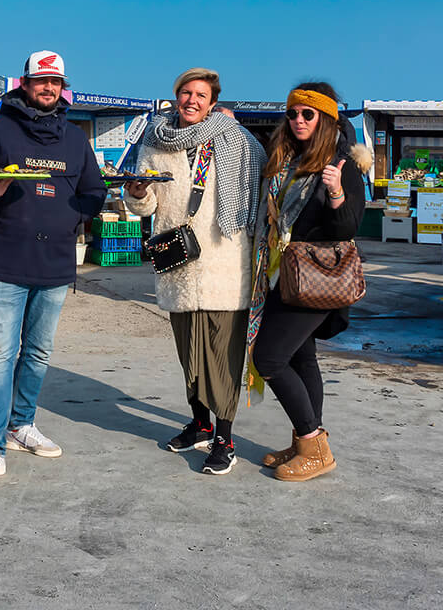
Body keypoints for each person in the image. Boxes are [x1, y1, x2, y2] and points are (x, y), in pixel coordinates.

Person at [0, 50, 106, 484]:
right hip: (5, 261)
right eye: (41, 81)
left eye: (55, 82)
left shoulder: (75, 139)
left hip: (55, 262)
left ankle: (21, 424)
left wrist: (74, 217)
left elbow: (94, 191)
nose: (48, 88)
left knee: (38, 352)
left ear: (62, 86)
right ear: (25, 83)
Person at [125, 68, 266, 475]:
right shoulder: (156, 140)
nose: (191, 100)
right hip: (179, 263)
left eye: (200, 94)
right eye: (185, 93)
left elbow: (261, 189)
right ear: (175, 96)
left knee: (222, 354)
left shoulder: (237, 140)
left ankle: (225, 437)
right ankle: (200, 423)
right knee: (189, 352)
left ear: (212, 100)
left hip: (226, 262)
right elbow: (147, 204)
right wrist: (137, 193)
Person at [249, 81, 370, 481]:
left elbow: (348, 226)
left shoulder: (342, 163)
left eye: (308, 114)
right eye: (293, 113)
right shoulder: (287, 160)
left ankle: (315, 444)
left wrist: (336, 193)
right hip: (285, 273)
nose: (298, 120)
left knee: (268, 358)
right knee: (302, 357)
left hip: (318, 277)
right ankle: (304, 441)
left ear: (326, 119)